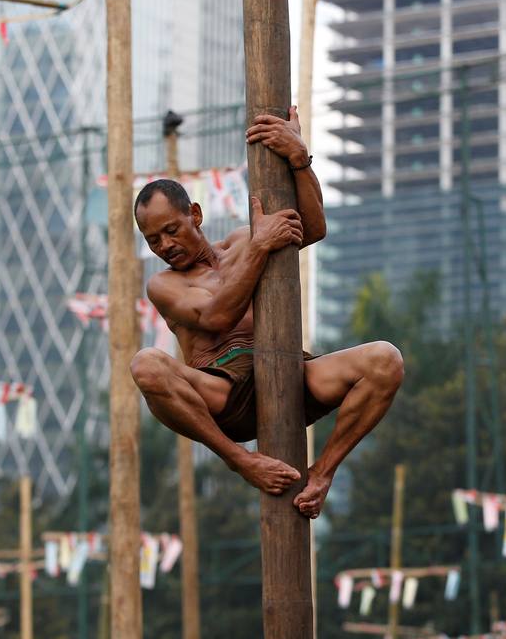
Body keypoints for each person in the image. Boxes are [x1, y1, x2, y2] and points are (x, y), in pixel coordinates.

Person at [130, 105, 403, 518]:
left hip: (290, 373)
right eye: (154, 240)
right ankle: (241, 461)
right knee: (147, 365)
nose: (165, 245)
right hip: (225, 394)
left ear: (196, 216)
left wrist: (299, 159)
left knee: (386, 360)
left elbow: (311, 228)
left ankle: (322, 473)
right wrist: (261, 247)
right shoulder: (164, 284)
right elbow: (217, 318)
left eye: (172, 230)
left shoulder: (243, 240)